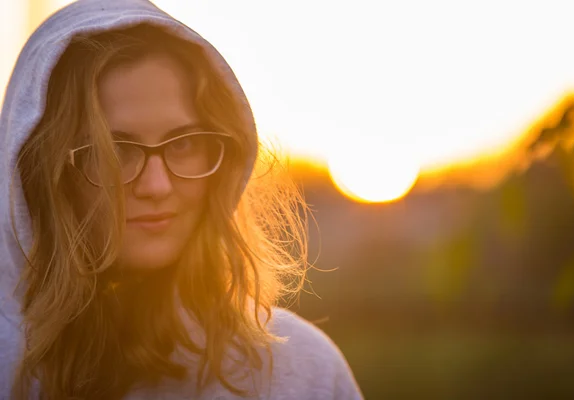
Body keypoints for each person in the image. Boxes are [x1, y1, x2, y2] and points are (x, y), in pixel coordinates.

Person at [0, 0, 363, 399]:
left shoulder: (296, 371)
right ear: (41, 174)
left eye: (184, 143)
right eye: (116, 150)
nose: (157, 186)